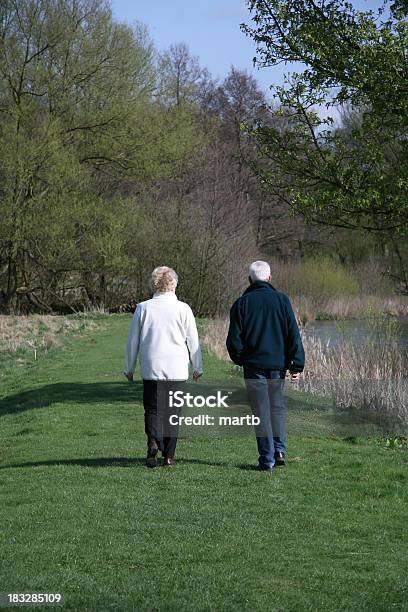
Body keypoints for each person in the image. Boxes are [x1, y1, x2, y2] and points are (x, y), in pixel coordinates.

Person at [226, 261, 305, 471]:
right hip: (277, 365)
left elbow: (234, 341)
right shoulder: (282, 301)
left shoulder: (242, 303)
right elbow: (292, 334)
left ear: (249, 280)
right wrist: (296, 364)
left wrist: (241, 359)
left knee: (261, 410)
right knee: (277, 407)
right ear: (270, 278)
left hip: (254, 365)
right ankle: (279, 450)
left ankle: (267, 457)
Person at [124, 266, 203, 468]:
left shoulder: (143, 308)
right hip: (176, 368)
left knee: (152, 408)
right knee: (173, 412)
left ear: (154, 284)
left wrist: (129, 367)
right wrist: (197, 366)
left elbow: (133, 341)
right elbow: (192, 341)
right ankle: (168, 456)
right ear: (174, 284)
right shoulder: (183, 309)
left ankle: (153, 440)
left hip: (152, 366)